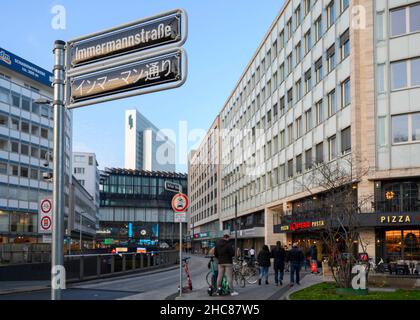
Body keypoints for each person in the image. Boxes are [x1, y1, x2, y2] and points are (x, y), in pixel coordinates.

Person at [214, 232, 238, 296]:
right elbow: (232, 254)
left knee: (219, 276)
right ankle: (232, 291)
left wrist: (220, 257)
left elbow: (215, 254)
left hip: (220, 262)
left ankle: (218, 290)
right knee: (229, 277)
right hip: (228, 262)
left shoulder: (217, 244)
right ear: (228, 238)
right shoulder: (228, 244)